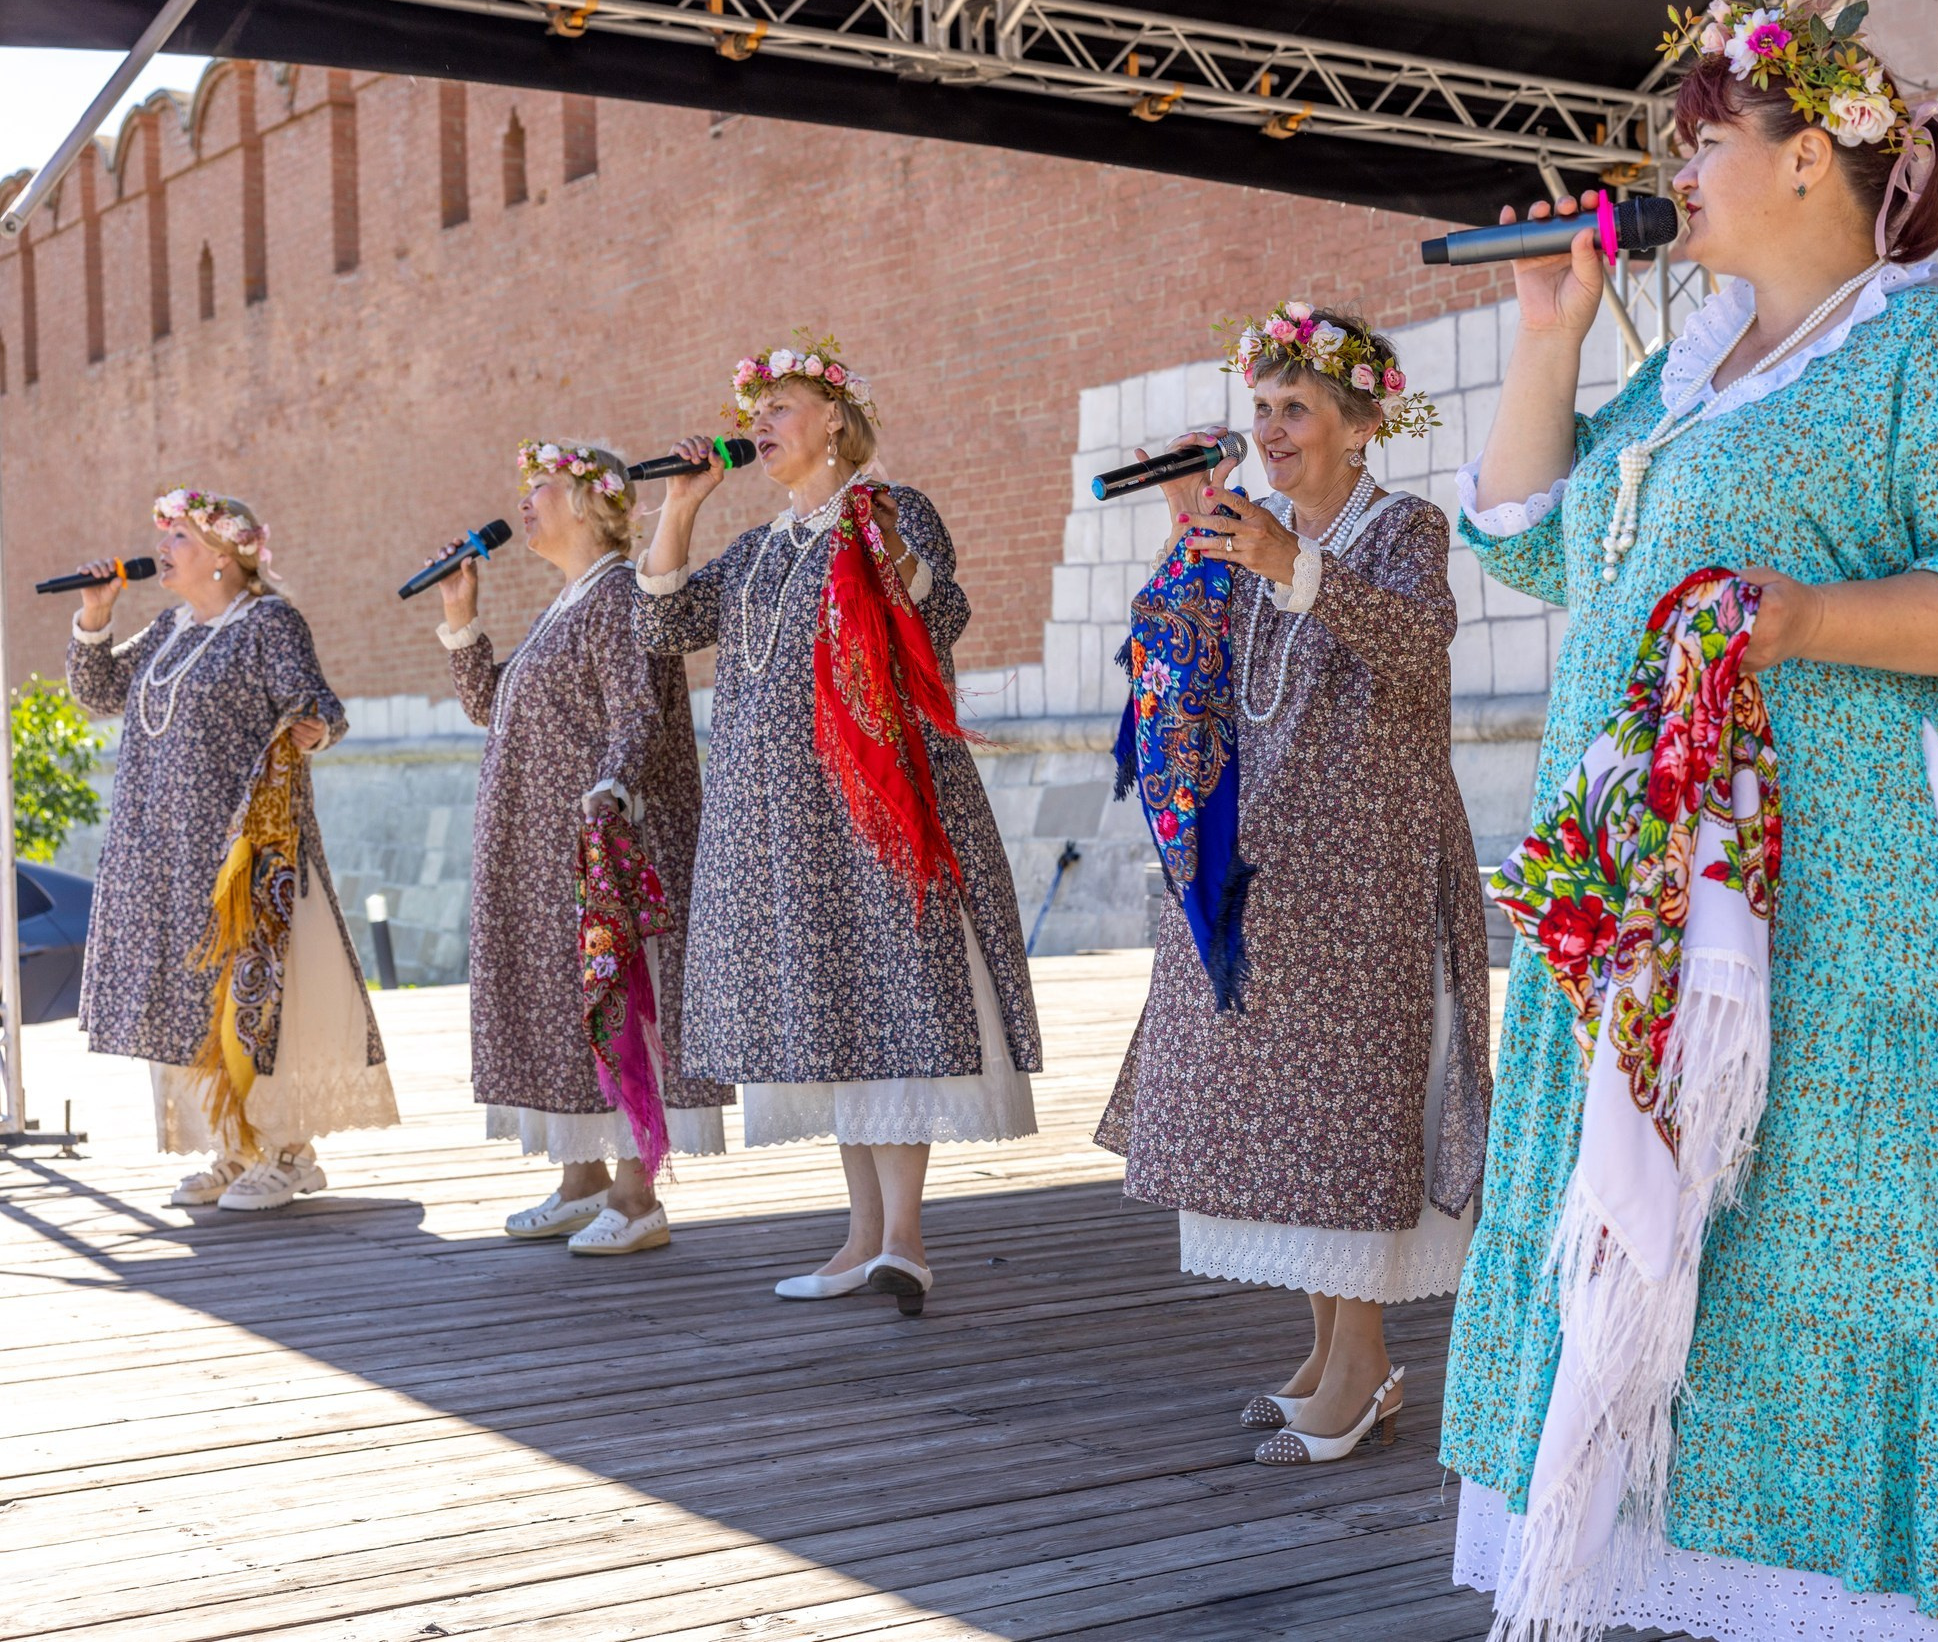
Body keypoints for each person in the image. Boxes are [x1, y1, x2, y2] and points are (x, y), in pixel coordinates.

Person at [1440, 0, 1938, 1641]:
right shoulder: (1675, 376)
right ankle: (1652, 1563)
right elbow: (1535, 536)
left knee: (1822, 1209)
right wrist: (1546, 327)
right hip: (1644, 881)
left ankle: (1853, 1598)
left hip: (1845, 878)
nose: (1674, 167)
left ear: (1812, 155)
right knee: (1646, 1201)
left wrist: (1804, 616)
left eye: (1701, 137)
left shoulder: (1925, 349)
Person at [1095, 303, 1492, 1467]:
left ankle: (1365, 1367)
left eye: (1296, 409)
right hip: (1262, 870)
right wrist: (1191, 551)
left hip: (1367, 872)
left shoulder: (1403, 529)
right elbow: (1171, 667)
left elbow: (1421, 651)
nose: (1270, 429)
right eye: (1261, 408)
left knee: (1348, 1110)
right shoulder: (1243, 523)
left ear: (1361, 425)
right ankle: (1327, 1351)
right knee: (1285, 1114)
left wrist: (1293, 566)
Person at [634, 336, 1040, 1312]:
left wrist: (891, 544)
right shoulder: (760, 547)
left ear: (834, 420)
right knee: (838, 1016)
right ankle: (860, 1237)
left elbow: (940, 614)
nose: (760, 426)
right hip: (781, 823)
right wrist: (679, 507)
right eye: (756, 411)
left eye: (780, 407)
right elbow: (661, 624)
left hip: (873, 805)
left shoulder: (891, 512)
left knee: (892, 997)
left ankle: (903, 1237)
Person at [434, 440, 730, 1255]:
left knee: (618, 997)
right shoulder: (563, 604)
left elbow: (640, 713)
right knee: (565, 1006)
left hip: (601, 840)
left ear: (591, 502)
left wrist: (615, 792)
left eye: (542, 487)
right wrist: (461, 620)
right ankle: (581, 1179)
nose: (524, 501)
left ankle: (638, 1199)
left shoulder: (620, 596)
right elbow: (492, 710)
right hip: (536, 847)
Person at [67, 491, 395, 1211]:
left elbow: (317, 702)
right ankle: (229, 1145)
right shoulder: (171, 628)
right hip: (161, 854)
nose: (163, 546)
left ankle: (286, 1151)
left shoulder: (268, 622)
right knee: (188, 1000)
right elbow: (99, 691)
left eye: (178, 535)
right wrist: (94, 616)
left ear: (223, 555)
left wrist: (317, 727)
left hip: (241, 851)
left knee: (253, 998)